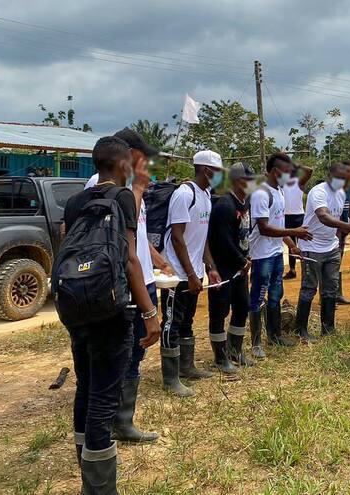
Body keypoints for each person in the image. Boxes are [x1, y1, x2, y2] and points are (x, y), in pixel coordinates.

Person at [62, 136, 161, 492]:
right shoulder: (122, 198)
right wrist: (149, 312)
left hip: (76, 306)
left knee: (85, 387)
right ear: (123, 165)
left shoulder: (75, 201)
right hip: (111, 308)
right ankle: (100, 489)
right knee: (105, 397)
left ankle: (85, 468)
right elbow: (131, 258)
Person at [84, 128, 169, 444]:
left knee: (136, 352)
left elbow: (136, 235)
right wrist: (137, 188)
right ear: (126, 154)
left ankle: (123, 418)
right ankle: (115, 421)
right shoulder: (102, 185)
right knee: (121, 351)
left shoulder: (134, 187)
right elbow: (118, 230)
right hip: (125, 283)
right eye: (140, 154)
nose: (145, 160)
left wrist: (158, 260)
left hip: (144, 277)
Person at [160, 150, 224, 396]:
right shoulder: (184, 194)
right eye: (217, 171)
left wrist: (210, 267)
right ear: (207, 170)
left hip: (195, 271)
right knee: (172, 322)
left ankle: (187, 367)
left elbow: (202, 237)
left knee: (187, 321)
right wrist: (189, 274)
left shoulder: (206, 195)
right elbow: (177, 237)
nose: (219, 176)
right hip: (177, 274)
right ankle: (170, 377)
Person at [248, 152, 312, 359]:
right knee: (258, 297)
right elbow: (265, 228)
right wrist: (294, 232)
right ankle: (256, 343)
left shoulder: (280, 192)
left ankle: (274, 335)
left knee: (276, 294)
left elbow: (279, 225)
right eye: (286, 171)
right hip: (261, 255)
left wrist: (291, 246)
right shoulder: (260, 193)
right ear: (275, 172)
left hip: (276, 253)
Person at [294, 163, 350, 342]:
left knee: (330, 288)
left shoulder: (341, 193)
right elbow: (323, 216)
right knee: (309, 288)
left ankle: (328, 328)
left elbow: (339, 218)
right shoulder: (318, 192)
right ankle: (301, 330)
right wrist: (348, 227)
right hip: (312, 246)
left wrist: (339, 239)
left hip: (331, 247)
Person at [207, 163, 258, 374]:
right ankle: (220, 357)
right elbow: (223, 241)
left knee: (242, 305)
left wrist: (246, 258)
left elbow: (243, 235)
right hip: (224, 267)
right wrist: (241, 260)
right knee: (219, 310)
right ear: (238, 181)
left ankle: (235, 349)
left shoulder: (244, 203)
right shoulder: (225, 205)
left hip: (240, 266)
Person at [283, 163, 313, 279]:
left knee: (304, 244)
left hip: (299, 217)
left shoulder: (299, 183)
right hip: (286, 216)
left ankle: (307, 269)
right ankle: (292, 269)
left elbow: (309, 170)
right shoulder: (280, 184)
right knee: (291, 245)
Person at [336, 161, 350, 305]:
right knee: (331, 263)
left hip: (343, 233)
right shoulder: (330, 190)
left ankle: (337, 294)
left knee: (337, 263)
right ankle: (328, 297)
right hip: (331, 234)